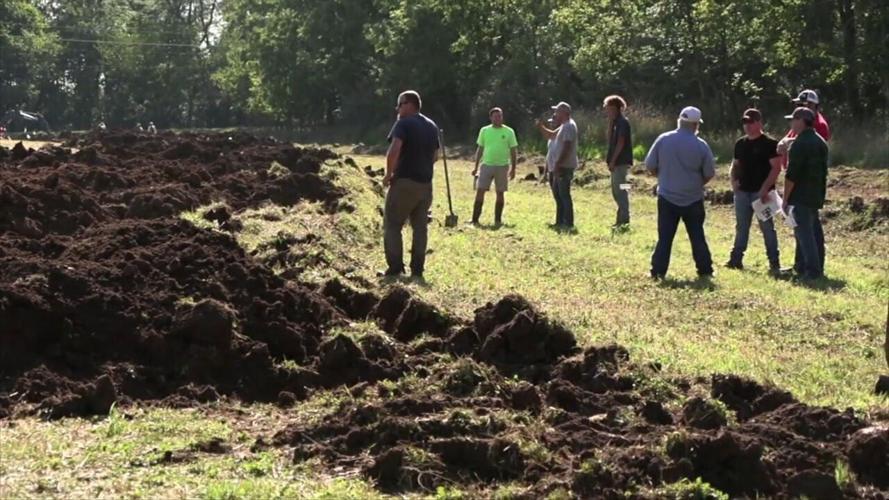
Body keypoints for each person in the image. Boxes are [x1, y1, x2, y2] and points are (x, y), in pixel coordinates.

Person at [645, 106, 716, 279]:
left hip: (667, 196)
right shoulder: (701, 146)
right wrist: (697, 184)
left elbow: (649, 165)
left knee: (665, 237)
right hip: (693, 198)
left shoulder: (663, 139)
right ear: (695, 125)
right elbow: (709, 173)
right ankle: (705, 270)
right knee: (697, 236)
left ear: (680, 121)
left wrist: (662, 177)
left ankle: (658, 271)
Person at [379, 90, 440, 280]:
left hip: (404, 183)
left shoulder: (403, 123)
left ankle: (395, 268)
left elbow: (393, 150)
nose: (397, 108)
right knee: (420, 228)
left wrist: (389, 174)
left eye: (400, 104)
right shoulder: (431, 125)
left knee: (392, 224)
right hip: (425, 185)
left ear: (410, 104)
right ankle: (417, 271)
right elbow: (435, 156)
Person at [726, 109, 782, 274]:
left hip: (762, 195)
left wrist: (765, 189)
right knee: (741, 227)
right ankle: (735, 259)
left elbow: (776, 168)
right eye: (745, 123)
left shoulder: (770, 144)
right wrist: (733, 182)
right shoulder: (740, 144)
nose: (747, 126)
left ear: (759, 123)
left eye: (751, 122)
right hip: (743, 193)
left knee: (767, 229)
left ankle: (774, 262)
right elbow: (735, 165)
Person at [782, 107, 829, 280]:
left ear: (801, 120)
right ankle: (804, 266)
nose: (791, 123)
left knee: (804, 234)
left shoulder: (799, 143)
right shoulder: (820, 142)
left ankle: (812, 272)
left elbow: (791, 175)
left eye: (793, 120)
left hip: (800, 196)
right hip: (815, 195)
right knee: (814, 233)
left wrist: (785, 200)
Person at [471, 107, 518, 226]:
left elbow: (513, 151)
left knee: (500, 192)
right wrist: (476, 166)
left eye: (500, 116)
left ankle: (498, 220)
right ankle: (475, 219)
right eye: (496, 116)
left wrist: (513, 168)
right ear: (491, 117)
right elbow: (480, 149)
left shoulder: (509, 132)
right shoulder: (484, 131)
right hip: (486, 165)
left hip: (502, 166)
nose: (498, 118)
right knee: (480, 191)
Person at [536, 102, 578, 229]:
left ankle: (568, 223)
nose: (555, 114)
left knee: (564, 195)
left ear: (564, 112)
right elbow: (551, 135)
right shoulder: (563, 126)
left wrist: (559, 164)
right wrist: (541, 127)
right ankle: (559, 221)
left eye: (557, 111)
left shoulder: (569, 126)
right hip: (558, 166)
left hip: (563, 166)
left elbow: (567, 147)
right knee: (558, 195)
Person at [603, 95, 633, 228]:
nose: (607, 111)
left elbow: (620, 143)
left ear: (616, 108)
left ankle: (623, 220)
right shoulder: (615, 123)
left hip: (620, 162)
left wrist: (613, 161)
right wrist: (610, 122)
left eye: (609, 109)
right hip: (616, 162)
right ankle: (622, 217)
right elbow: (609, 139)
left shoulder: (623, 122)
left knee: (620, 189)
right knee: (618, 190)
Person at [777, 89, 831, 158]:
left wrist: (787, 142)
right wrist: (783, 142)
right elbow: (787, 138)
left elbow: (812, 146)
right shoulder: (801, 121)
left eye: (802, 104)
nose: (799, 108)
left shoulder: (820, 124)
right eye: (798, 105)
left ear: (813, 105)